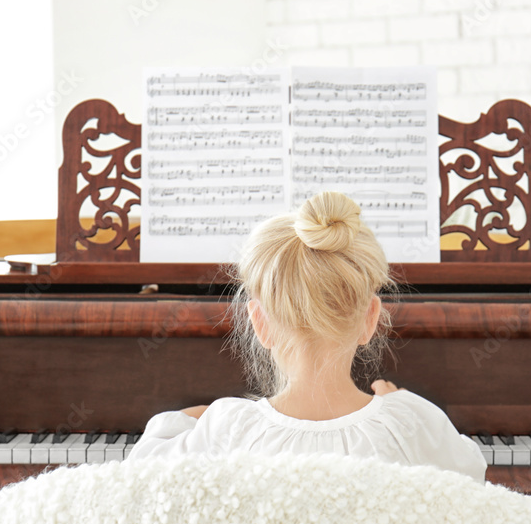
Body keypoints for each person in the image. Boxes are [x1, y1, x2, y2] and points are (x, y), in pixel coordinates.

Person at [127, 192, 487, 482]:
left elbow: (140, 471)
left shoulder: (228, 426)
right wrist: (407, 406)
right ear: (371, 318)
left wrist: (197, 417)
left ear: (259, 322)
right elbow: (472, 473)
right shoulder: (411, 424)